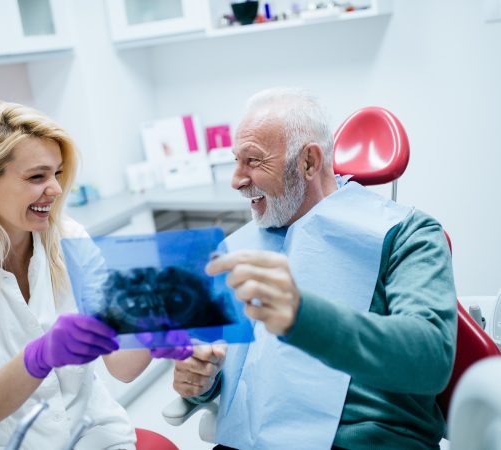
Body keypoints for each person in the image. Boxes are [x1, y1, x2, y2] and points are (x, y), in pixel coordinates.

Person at [172, 88, 458, 450]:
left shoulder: (407, 234)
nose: (237, 179)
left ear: (308, 162)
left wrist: (301, 315)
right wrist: (200, 380)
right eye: (236, 160)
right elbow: (224, 364)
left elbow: (429, 359)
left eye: (254, 161)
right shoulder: (239, 248)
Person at [0, 101, 190, 449]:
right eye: (37, 176)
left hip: (94, 433)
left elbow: (119, 364)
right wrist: (40, 356)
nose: (56, 189)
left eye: (57, 173)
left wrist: (153, 333)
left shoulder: (69, 238)